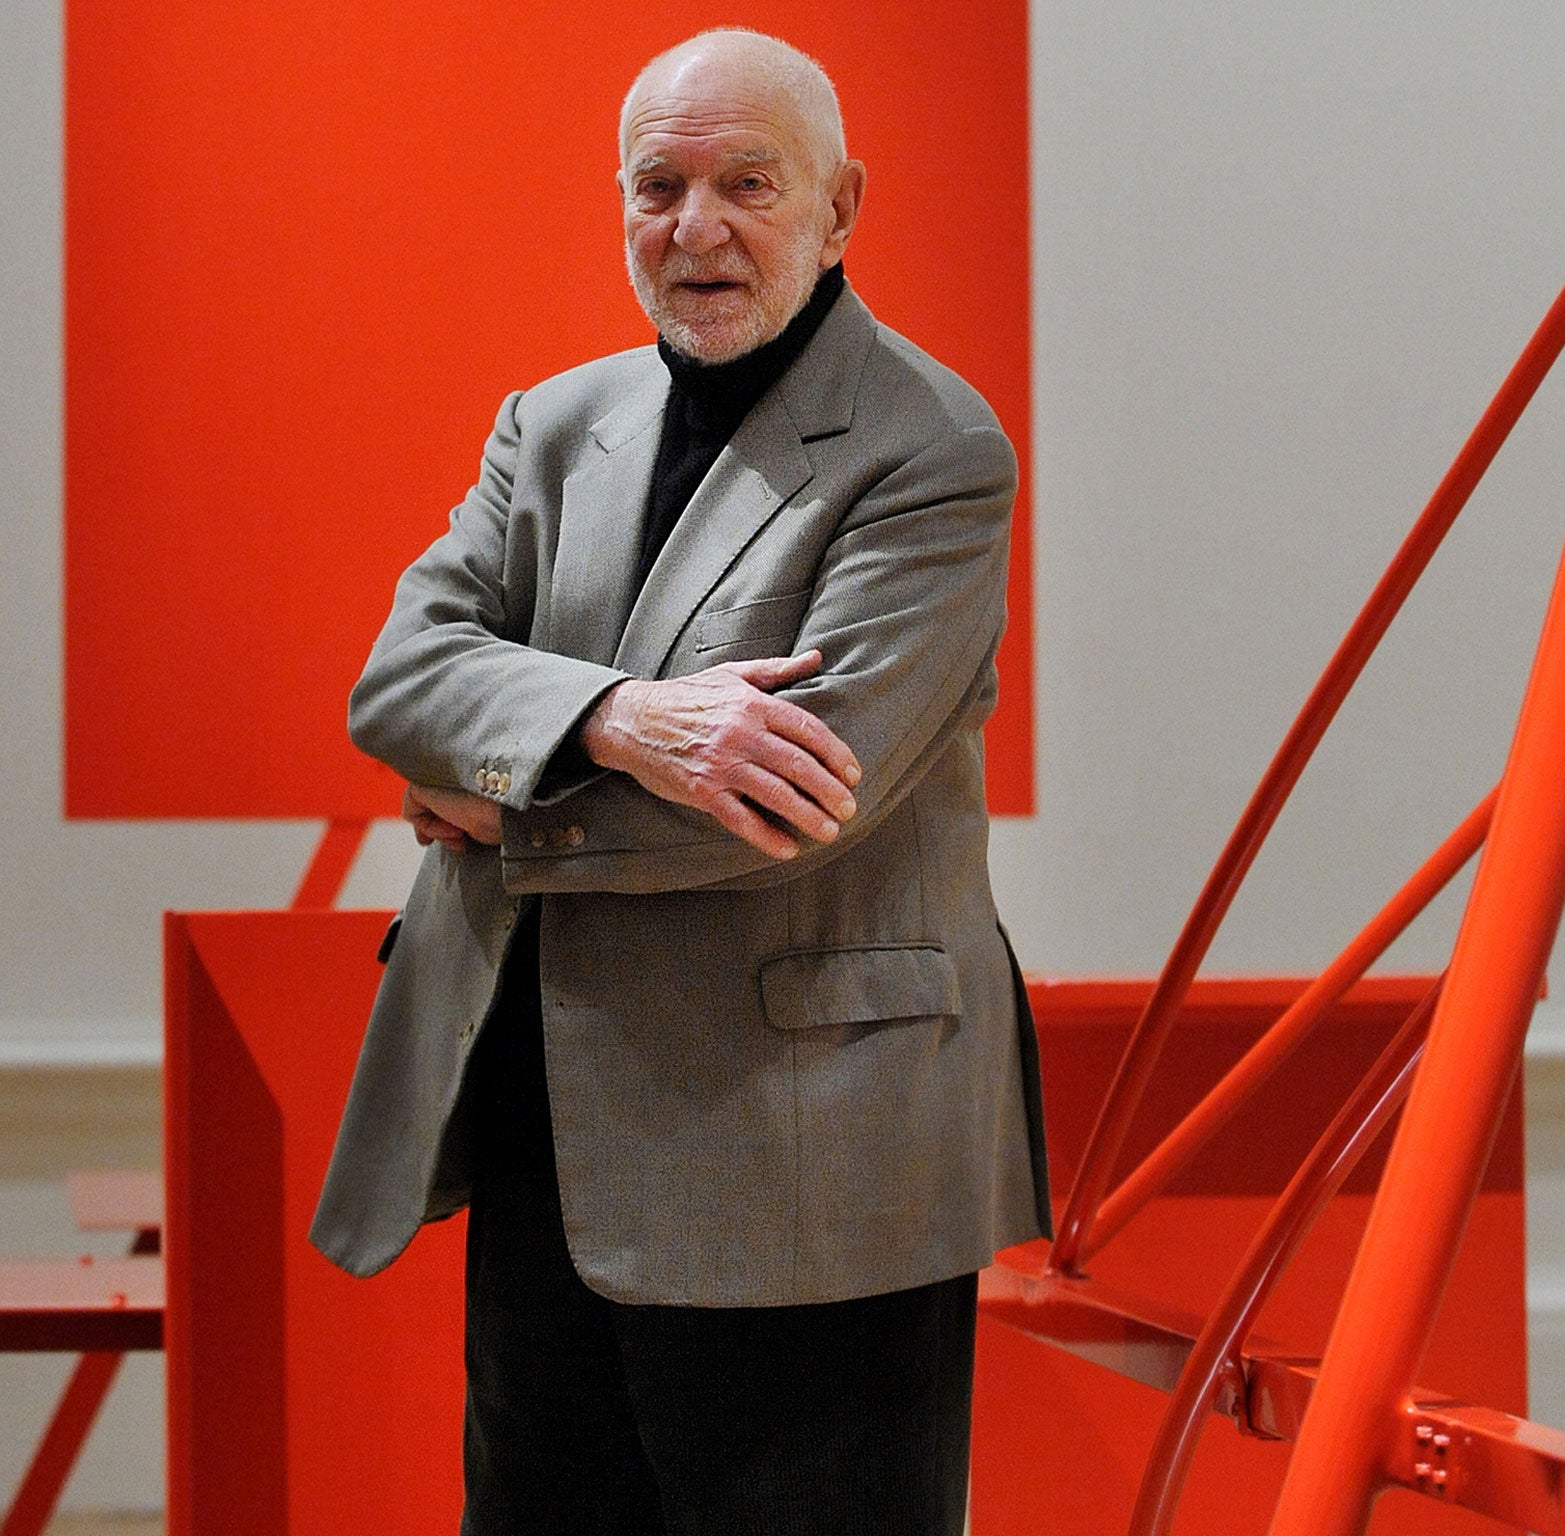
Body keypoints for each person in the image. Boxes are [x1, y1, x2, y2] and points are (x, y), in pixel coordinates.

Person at [310, 29, 1049, 1534]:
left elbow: (786, 810)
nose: (694, 229)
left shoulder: (934, 449)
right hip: (543, 1153)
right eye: (658, 187)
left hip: (808, 1167)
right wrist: (616, 721)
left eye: (747, 185)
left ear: (841, 210)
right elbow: (399, 678)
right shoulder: (555, 423)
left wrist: (490, 795)